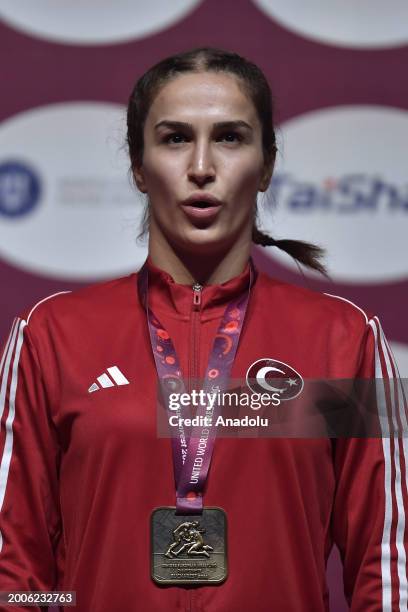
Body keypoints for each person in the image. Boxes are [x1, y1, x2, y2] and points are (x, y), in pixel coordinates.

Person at [0, 46, 406, 612]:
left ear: (266, 166)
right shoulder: (50, 336)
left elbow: (384, 567)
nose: (200, 167)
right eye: (174, 138)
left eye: (230, 137)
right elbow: (14, 567)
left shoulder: (344, 342)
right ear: (139, 167)